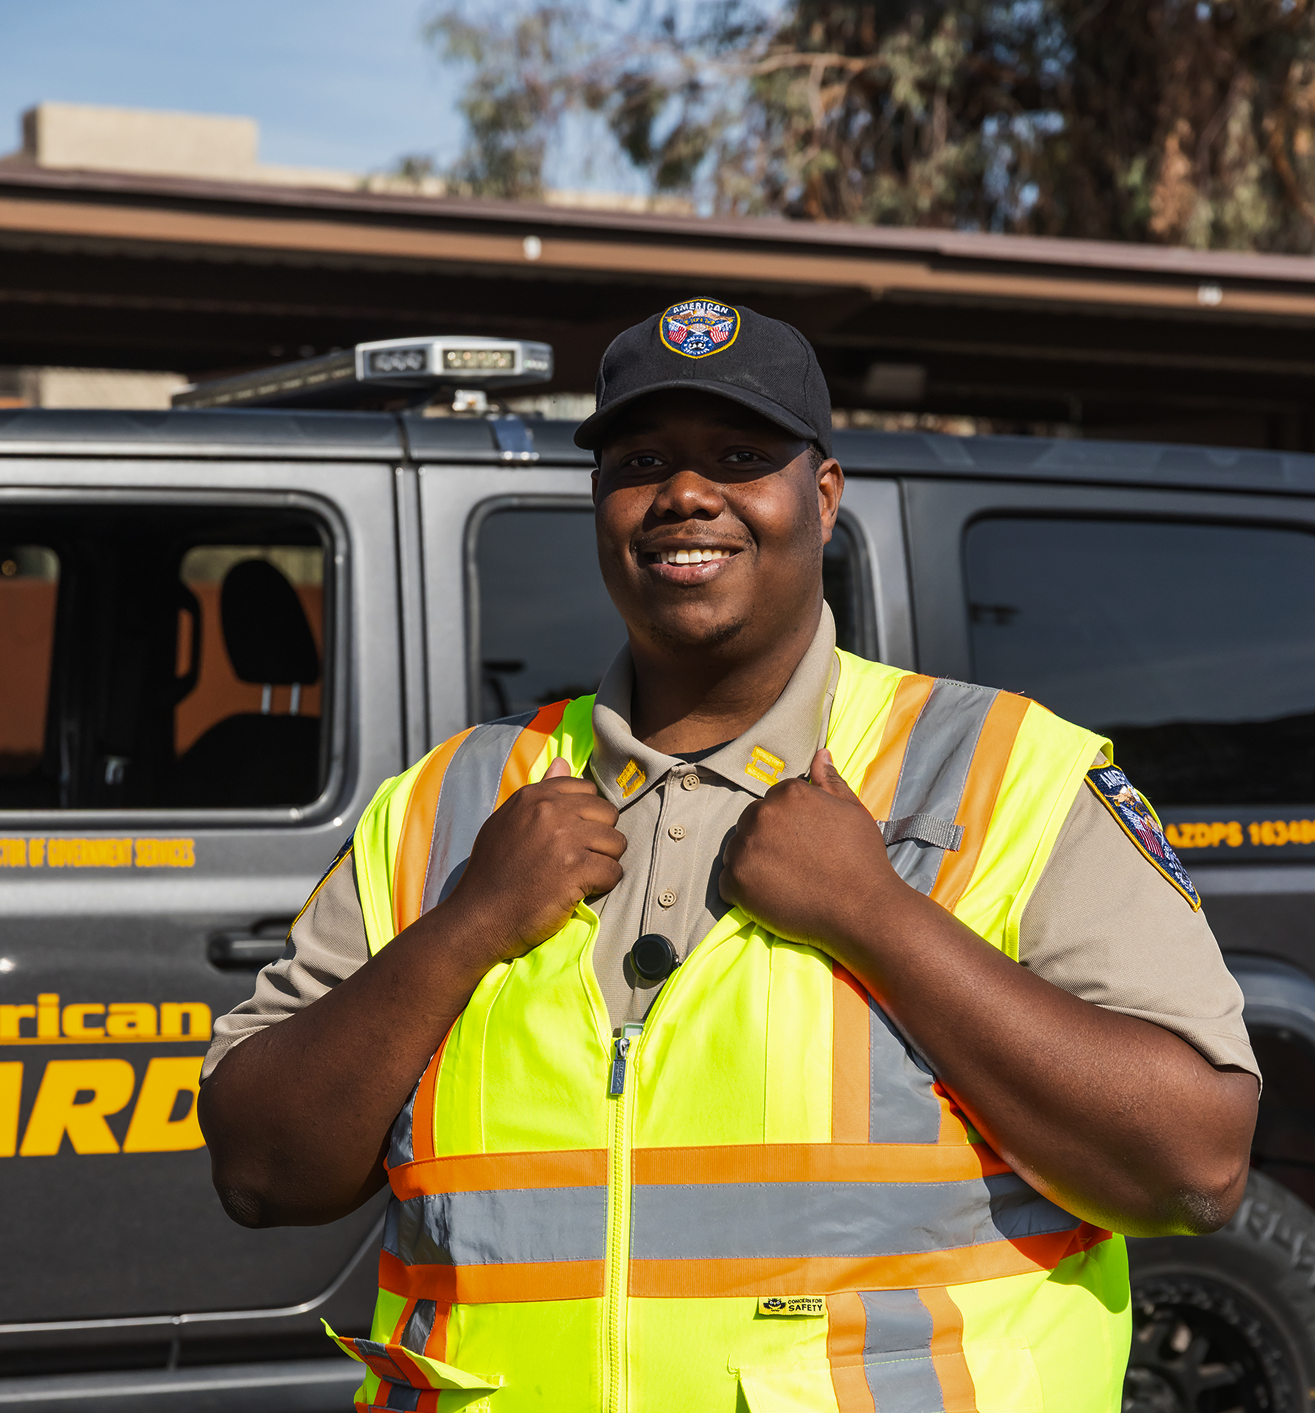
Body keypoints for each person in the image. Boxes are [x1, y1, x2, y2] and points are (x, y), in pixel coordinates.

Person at [199, 301, 1260, 1413]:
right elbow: (260, 1173)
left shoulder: (1008, 771)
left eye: (741, 456)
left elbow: (1193, 1170)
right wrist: (468, 925)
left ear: (824, 496)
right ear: (599, 504)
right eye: (640, 462)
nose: (685, 494)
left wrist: (874, 914)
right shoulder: (445, 801)